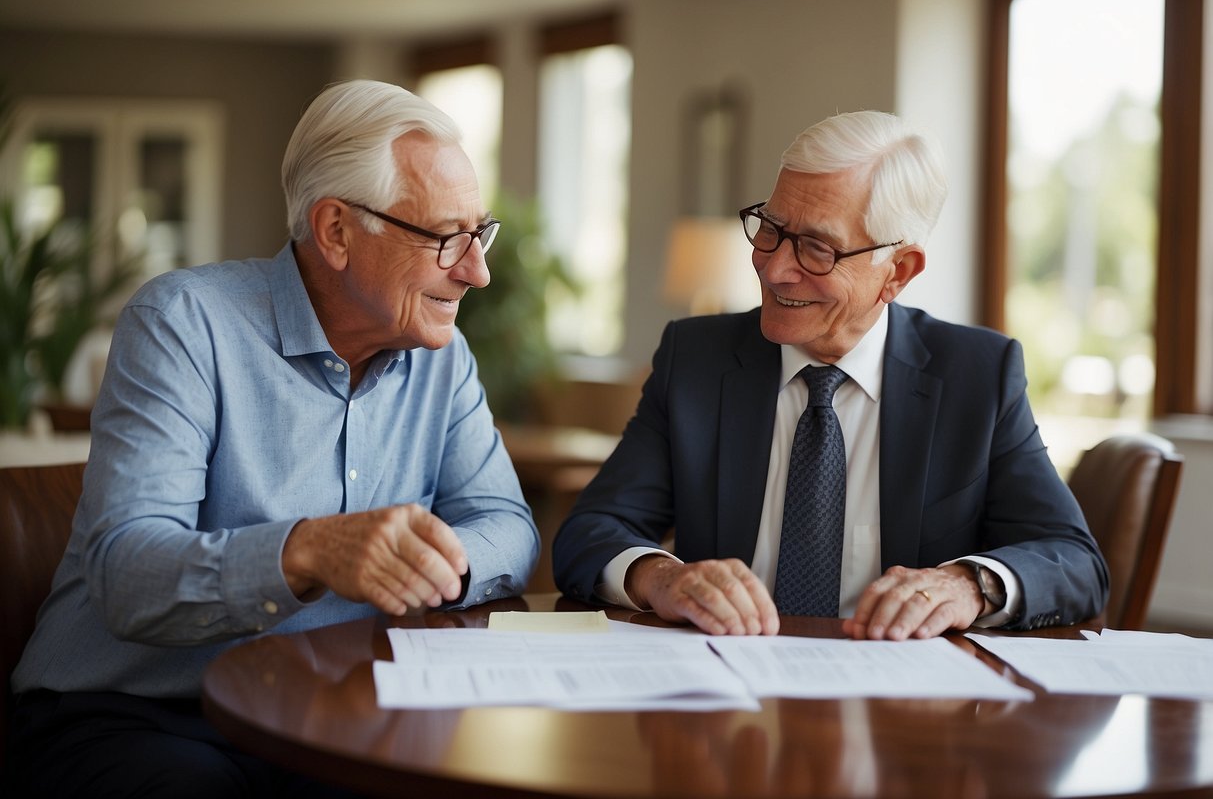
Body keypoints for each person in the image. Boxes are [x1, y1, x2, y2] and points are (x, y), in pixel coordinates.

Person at [8, 79, 538, 796]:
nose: (476, 270)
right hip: (135, 714)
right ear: (336, 231)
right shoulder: (183, 325)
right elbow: (124, 575)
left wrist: (439, 564)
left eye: (479, 233)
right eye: (447, 238)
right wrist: (308, 551)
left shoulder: (443, 362)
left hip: (327, 716)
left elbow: (507, 525)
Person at [553, 110, 1108, 641]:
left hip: (901, 706)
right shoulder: (697, 358)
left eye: (817, 248)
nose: (773, 269)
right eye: (770, 229)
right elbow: (589, 534)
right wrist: (662, 578)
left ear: (899, 271)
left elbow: (1073, 560)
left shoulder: (977, 376)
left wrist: (967, 585)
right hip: (726, 698)